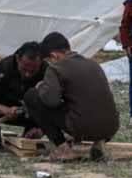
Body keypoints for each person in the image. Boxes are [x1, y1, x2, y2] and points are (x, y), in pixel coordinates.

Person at [23, 32, 120, 161]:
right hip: (111, 127)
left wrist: (41, 87)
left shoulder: (56, 68)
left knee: (32, 95)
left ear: (54, 55)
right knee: (88, 104)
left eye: (48, 61)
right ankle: (99, 142)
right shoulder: (94, 64)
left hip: (83, 126)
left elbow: (50, 101)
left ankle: (63, 150)